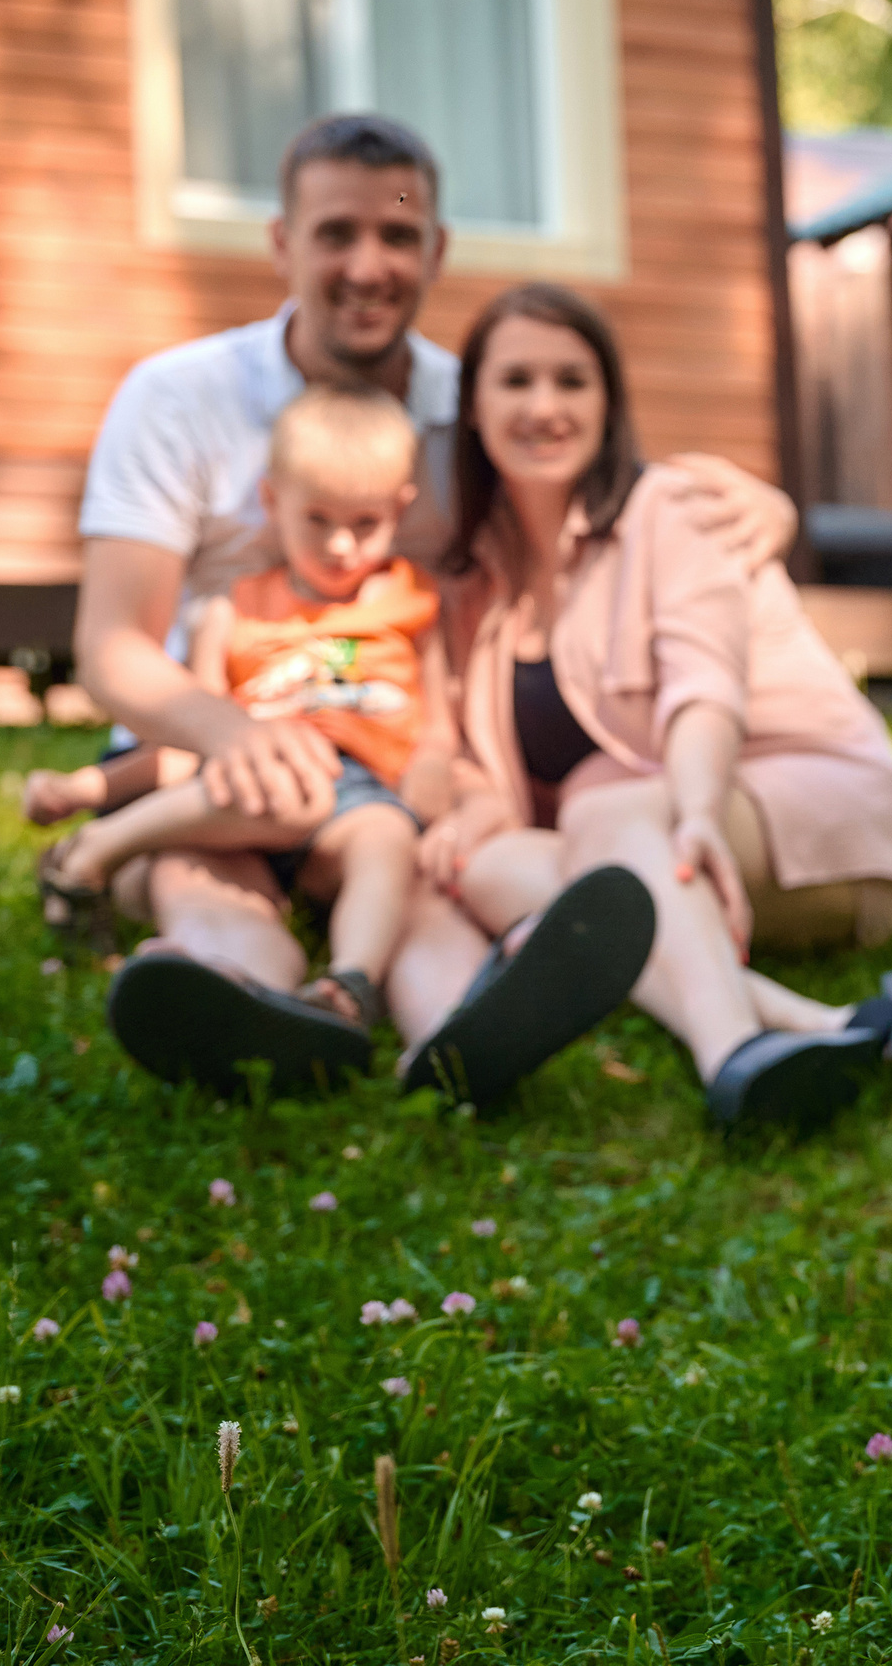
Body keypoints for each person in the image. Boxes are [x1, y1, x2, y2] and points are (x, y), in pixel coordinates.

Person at [66, 112, 792, 1085]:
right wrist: (230, 734)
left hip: (379, 752)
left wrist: (759, 502)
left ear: (436, 250)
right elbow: (112, 647)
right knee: (215, 881)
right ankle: (237, 993)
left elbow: (597, 489)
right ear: (283, 243)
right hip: (217, 743)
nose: (369, 265)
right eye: (337, 233)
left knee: (418, 880)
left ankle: (457, 1031)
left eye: (398, 235)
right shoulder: (177, 398)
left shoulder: (471, 410)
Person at [386, 282, 892, 1122]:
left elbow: (704, 685)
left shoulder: (674, 510)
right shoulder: (475, 585)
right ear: (471, 405)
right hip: (635, 854)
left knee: (606, 814)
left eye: (572, 381)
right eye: (516, 382)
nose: (545, 406)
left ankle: (732, 1051)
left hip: (791, 818)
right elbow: (483, 761)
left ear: (609, 402)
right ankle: (829, 1024)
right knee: (497, 867)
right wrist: (468, 809)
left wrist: (692, 807)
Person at [42, 386, 442, 1085]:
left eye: (365, 523)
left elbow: (440, 712)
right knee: (291, 790)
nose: (341, 545)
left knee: (387, 838)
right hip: (248, 785)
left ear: (399, 511)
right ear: (271, 501)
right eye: (317, 519)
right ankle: (112, 860)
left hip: (360, 793)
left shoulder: (409, 603)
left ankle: (343, 992)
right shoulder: (232, 612)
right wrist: (88, 787)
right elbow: (186, 739)